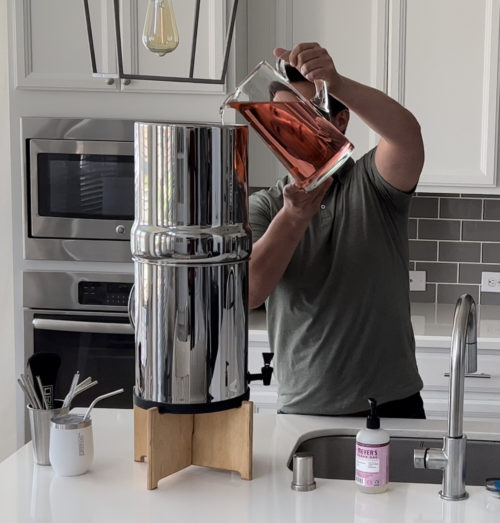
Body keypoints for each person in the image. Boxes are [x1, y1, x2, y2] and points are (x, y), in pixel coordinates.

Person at [248, 42, 426, 418]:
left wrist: (337, 82)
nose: (293, 128)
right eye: (282, 117)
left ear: (340, 121)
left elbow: (406, 138)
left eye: (307, 113)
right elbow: (247, 292)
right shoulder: (264, 206)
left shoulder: (373, 185)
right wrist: (293, 216)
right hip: (303, 408)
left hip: (393, 404)